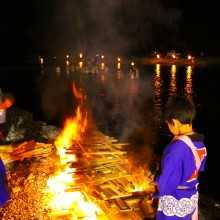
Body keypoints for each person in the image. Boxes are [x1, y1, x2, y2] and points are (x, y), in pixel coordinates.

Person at [152, 94, 207, 220]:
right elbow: (197, 169)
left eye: (168, 123)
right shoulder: (200, 144)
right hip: (190, 198)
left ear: (175, 122)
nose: (168, 127)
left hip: (175, 200)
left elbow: (167, 182)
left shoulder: (176, 149)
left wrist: (156, 183)